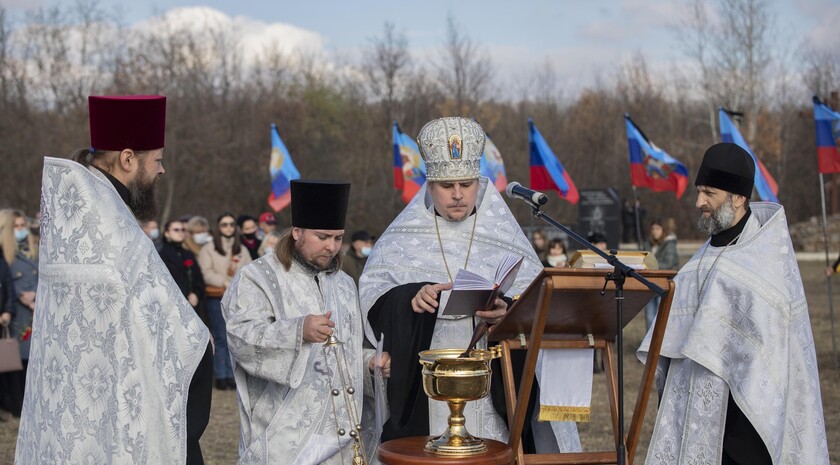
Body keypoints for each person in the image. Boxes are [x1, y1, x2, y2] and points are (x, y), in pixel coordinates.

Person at [360, 117, 581, 452]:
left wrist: (506, 308)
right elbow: (371, 298)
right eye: (448, 187)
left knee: (490, 450)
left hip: (489, 374)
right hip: (427, 379)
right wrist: (410, 297)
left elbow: (534, 298)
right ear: (430, 186)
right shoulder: (401, 238)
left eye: (467, 184)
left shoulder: (503, 235)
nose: (459, 195)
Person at [15, 95, 212, 465]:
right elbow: (181, 338)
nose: (162, 170)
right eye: (157, 160)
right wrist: (203, 341)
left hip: (67, 411)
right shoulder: (118, 231)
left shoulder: (74, 218)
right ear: (127, 158)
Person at [638, 142, 829, 465]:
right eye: (699, 191)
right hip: (692, 413)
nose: (699, 202)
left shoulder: (766, 261)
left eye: (709, 193)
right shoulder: (696, 263)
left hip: (745, 427)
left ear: (738, 197)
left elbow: (774, 352)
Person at [222, 180, 390, 465]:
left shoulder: (345, 283)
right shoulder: (258, 278)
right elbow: (241, 338)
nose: (332, 247)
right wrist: (298, 331)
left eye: (338, 238)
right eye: (322, 237)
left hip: (346, 438)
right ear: (297, 232)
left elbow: (343, 350)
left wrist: (369, 364)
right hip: (287, 436)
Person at [198, 212, 252, 390]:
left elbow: (249, 270)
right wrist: (223, 281)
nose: (228, 227)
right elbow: (205, 272)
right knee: (220, 336)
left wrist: (238, 284)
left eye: (231, 224)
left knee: (234, 337)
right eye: (224, 224)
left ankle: (233, 375)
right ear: (218, 227)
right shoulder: (209, 248)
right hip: (217, 297)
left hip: (238, 299)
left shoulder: (242, 249)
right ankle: (221, 375)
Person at [0, 210, 38, 417]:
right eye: (17, 226)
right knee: (14, 365)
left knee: (31, 363)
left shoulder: (33, 253)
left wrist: (36, 295)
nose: (22, 230)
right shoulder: (6, 258)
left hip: (33, 316)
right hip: (15, 319)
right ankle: (14, 405)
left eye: (23, 226)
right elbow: (5, 286)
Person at [159, 219, 207, 320]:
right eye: (176, 230)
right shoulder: (161, 255)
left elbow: (198, 278)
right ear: (167, 233)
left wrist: (196, 294)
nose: (180, 232)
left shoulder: (188, 254)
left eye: (182, 229)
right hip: (172, 307)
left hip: (191, 306)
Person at [642, 218, 679, 330]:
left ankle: (661, 344)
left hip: (664, 284)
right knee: (649, 317)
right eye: (653, 229)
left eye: (657, 228)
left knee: (661, 316)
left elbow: (669, 263)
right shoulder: (648, 244)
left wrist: (651, 265)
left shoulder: (669, 244)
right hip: (649, 284)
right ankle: (648, 345)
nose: (655, 231)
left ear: (663, 230)